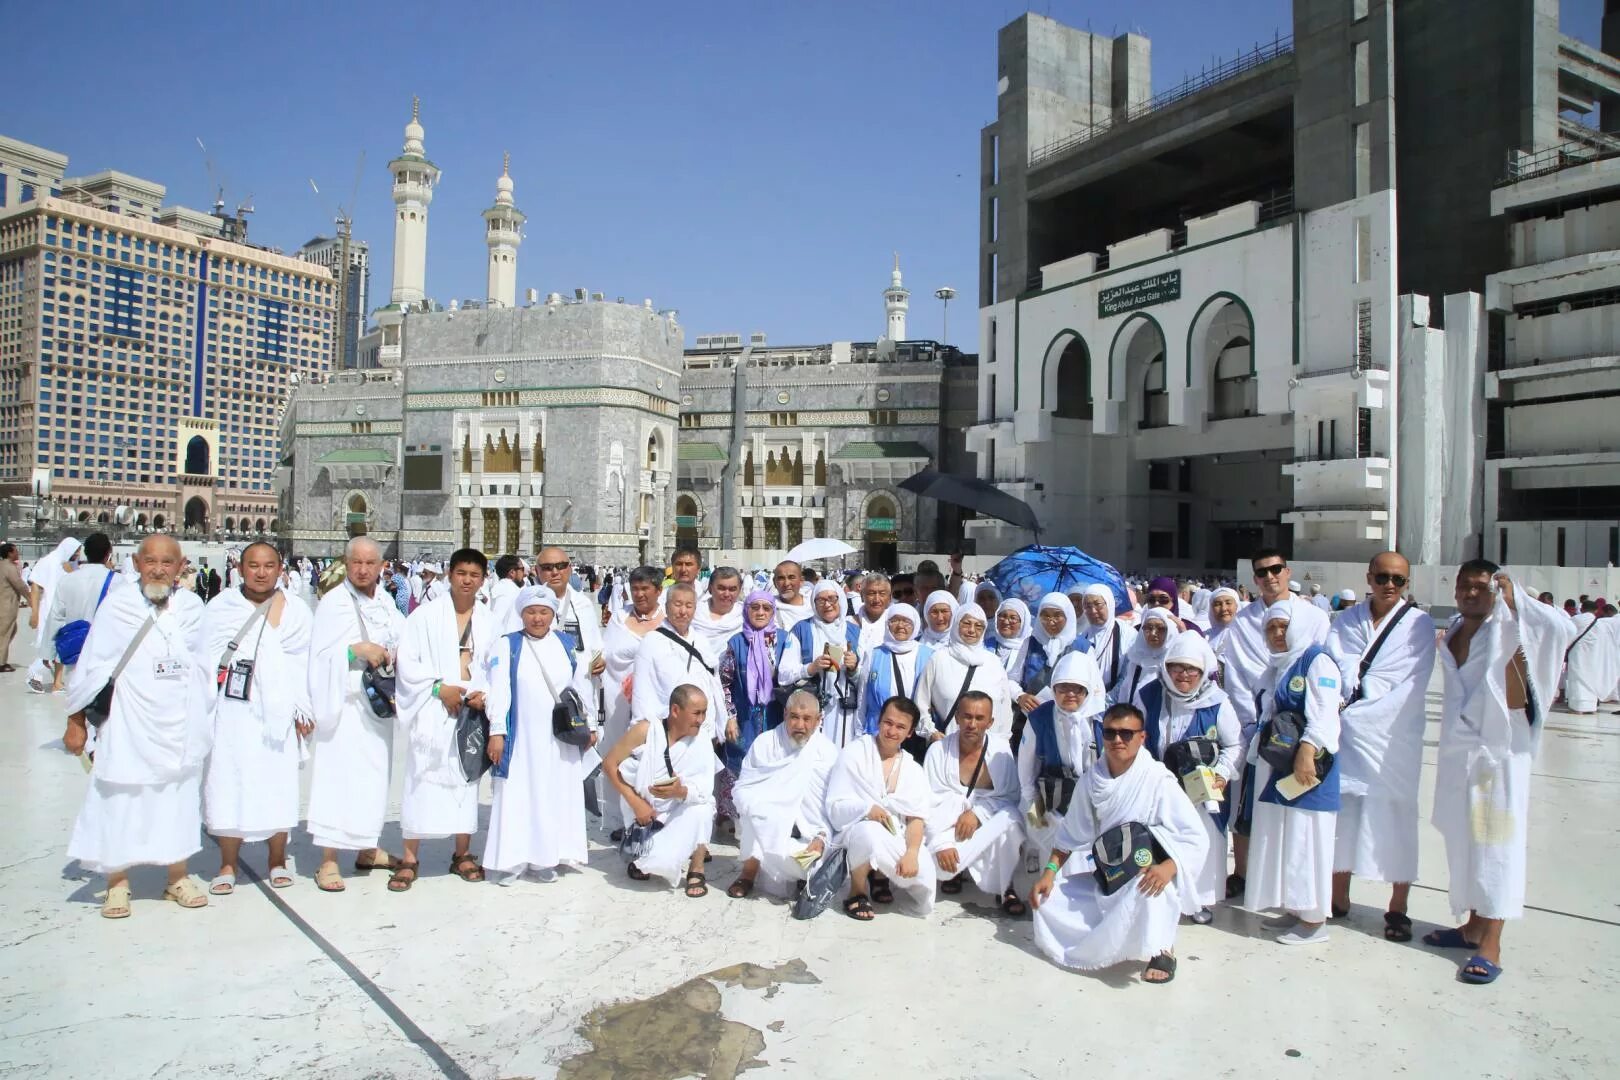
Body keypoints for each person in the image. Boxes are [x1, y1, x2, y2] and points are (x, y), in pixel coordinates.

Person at [1425, 562, 1572, 984]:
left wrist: (1517, 601)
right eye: (1464, 587)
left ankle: (1492, 942)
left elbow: (1556, 632)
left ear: (1493, 590)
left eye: (1480, 587)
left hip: (1499, 756)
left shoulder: (1508, 626)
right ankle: (1472, 927)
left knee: (1497, 847)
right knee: (1464, 842)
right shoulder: (1454, 630)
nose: (1471, 594)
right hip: (1460, 753)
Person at [62, 534, 214, 917]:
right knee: (121, 798)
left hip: (177, 723)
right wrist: (75, 721)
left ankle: (176, 876)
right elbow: (92, 667)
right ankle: (118, 883)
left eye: (168, 562)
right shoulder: (119, 607)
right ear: (136, 564)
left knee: (176, 799)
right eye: (151, 561)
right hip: (128, 722)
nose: (159, 569)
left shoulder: (193, 608)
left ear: (181, 567)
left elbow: (205, 667)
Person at [1029, 702, 1209, 984]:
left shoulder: (1158, 779)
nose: (1117, 740)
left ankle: (1163, 949)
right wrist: (1049, 872)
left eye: (1126, 734)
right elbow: (1069, 836)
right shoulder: (1092, 781)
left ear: (1142, 737)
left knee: (1148, 888)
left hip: (1150, 873)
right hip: (1111, 872)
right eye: (1110, 733)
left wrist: (1168, 868)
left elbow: (1195, 836)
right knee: (1048, 902)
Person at [1324, 551, 1436, 938]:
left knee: (1397, 815)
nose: (1390, 585)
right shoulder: (1346, 620)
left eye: (1399, 580)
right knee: (1345, 813)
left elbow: (1411, 681)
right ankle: (1338, 897)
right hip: (1348, 734)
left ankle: (1398, 907)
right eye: (1383, 577)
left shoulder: (1418, 624)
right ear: (1368, 577)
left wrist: (1364, 708)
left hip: (1393, 736)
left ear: (1407, 584)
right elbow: (1335, 667)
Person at [201, 542, 314, 894]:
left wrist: (303, 708)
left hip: (280, 712)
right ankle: (227, 863)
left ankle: (277, 859)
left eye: (269, 566)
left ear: (281, 569)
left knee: (277, 785)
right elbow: (204, 661)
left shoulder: (297, 610)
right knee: (227, 781)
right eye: (254, 565)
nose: (261, 572)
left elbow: (304, 664)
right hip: (234, 710)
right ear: (240, 567)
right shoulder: (222, 607)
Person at [1221, 548, 1331, 898]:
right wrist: (1253, 726)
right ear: (1254, 578)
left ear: (1287, 572)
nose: (1270, 577)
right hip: (1256, 724)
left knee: (1296, 813)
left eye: (1276, 569)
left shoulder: (1312, 617)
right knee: (1248, 804)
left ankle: (1293, 891)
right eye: (1262, 572)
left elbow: (1319, 671)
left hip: (1300, 728)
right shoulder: (1243, 621)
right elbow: (1236, 677)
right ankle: (1243, 872)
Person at [480, 586, 600, 886]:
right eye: (531, 612)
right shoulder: (507, 645)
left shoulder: (564, 642)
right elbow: (499, 691)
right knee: (520, 793)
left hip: (559, 737)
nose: (537, 618)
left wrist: (590, 724)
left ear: (552, 615)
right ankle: (514, 860)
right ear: (522, 614)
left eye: (543, 612)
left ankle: (550, 855)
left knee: (555, 791)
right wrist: (497, 731)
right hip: (522, 737)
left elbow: (578, 685)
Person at [305, 537, 406, 892]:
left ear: (381, 566)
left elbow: (401, 639)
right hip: (344, 705)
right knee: (338, 780)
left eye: (370, 563)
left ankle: (367, 847)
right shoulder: (334, 603)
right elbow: (317, 658)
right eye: (356, 563)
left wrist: (391, 652)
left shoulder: (386, 602)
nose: (363, 570)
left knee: (374, 780)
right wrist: (354, 650)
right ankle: (328, 860)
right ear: (346, 565)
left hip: (375, 707)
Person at [393, 548, 495, 890]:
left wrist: (482, 693)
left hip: (470, 709)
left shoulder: (488, 620)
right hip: (434, 708)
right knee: (422, 779)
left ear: (483, 580)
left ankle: (462, 853)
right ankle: (410, 857)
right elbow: (407, 663)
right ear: (450, 574)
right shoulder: (424, 616)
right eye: (462, 573)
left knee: (465, 782)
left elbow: (494, 667)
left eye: (475, 575)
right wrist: (439, 688)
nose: (467, 580)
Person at [1244, 602, 1342, 945]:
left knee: (1306, 839)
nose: (1277, 634)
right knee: (1285, 838)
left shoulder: (1317, 661)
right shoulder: (1277, 666)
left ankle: (1315, 921)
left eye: (1284, 626)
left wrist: (1308, 751)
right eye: (1271, 628)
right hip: (1278, 767)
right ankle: (1296, 908)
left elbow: (1326, 713)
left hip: (1307, 767)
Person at [1134, 633, 1241, 924]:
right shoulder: (1149, 694)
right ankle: (1162, 898)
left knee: (1200, 842)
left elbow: (1234, 745)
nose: (1183, 675)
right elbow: (1138, 735)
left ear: (1203, 671)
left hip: (1200, 792)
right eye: (1176, 668)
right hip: (1161, 786)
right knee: (1162, 840)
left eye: (1191, 669)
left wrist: (1221, 773)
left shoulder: (1218, 702)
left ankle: (1198, 901)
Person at [602, 683, 717, 896]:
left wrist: (680, 792)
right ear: (675, 711)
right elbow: (609, 764)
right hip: (644, 813)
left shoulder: (702, 740)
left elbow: (704, 788)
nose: (701, 720)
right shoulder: (646, 730)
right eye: (696, 713)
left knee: (705, 806)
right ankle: (644, 856)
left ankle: (697, 867)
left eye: (704, 713)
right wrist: (636, 803)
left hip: (679, 809)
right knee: (649, 861)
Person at [825, 696, 935, 919]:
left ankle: (880, 876)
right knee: (869, 833)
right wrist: (866, 808)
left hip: (896, 835)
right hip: (856, 830)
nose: (892, 731)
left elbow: (916, 818)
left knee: (925, 874)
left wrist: (912, 853)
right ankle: (857, 891)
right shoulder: (855, 753)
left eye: (900, 727)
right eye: (888, 723)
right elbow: (835, 806)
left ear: (910, 733)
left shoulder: (913, 770)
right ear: (879, 721)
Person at [727, 689, 839, 899]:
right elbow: (743, 788)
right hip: (768, 825)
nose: (800, 725)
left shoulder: (827, 752)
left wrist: (822, 837)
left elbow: (831, 804)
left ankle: (803, 877)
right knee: (753, 813)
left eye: (807, 719)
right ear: (785, 715)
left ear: (818, 720)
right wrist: (762, 811)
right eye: (794, 717)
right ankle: (748, 874)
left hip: (809, 830)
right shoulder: (766, 743)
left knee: (812, 864)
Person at [924, 691, 1025, 914]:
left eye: (979, 718)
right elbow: (928, 804)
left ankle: (1006, 886)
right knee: (943, 872)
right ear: (957, 718)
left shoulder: (1000, 751)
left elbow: (1010, 799)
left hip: (985, 825)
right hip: (947, 827)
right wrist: (941, 843)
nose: (972, 724)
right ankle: (956, 871)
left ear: (990, 722)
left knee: (1012, 822)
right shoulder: (937, 752)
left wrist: (977, 814)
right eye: (967, 717)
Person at [1018, 651, 1107, 861]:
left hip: (1093, 802)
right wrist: (1033, 806)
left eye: (1078, 689)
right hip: (1050, 799)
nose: (1070, 694)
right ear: (1054, 688)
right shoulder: (1039, 717)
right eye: (1063, 687)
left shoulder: (1101, 720)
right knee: (1040, 840)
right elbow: (1026, 764)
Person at [598, 565, 665, 840]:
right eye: (635, 589)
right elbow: (607, 652)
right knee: (620, 756)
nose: (639, 594)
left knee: (651, 757)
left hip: (655, 700)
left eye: (645, 589)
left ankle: (653, 813)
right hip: (619, 700)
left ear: (658, 591)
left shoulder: (668, 617)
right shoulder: (619, 618)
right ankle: (623, 818)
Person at [718, 590, 789, 811]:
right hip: (744, 717)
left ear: (773, 612)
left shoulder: (784, 640)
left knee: (774, 763)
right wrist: (730, 717)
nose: (760, 612)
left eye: (766, 608)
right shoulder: (735, 643)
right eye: (754, 607)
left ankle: (767, 814)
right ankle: (738, 817)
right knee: (741, 762)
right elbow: (724, 684)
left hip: (776, 717)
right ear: (746, 610)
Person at [916, 605, 1016, 745]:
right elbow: (921, 702)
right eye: (967, 623)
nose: (972, 630)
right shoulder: (939, 659)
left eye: (978, 626)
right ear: (956, 624)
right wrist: (931, 733)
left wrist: (1002, 742)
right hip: (948, 747)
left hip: (988, 751)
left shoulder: (993, 662)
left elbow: (1005, 708)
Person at [780, 580, 862, 746]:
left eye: (832, 598)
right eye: (820, 600)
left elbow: (867, 677)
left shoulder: (855, 632)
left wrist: (854, 668)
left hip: (845, 711)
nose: (827, 604)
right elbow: (783, 674)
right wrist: (811, 668)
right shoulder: (801, 630)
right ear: (813, 603)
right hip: (811, 708)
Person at [41, 532, 118, 678]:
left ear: (85, 553)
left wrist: (48, 651)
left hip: (75, 652)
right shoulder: (119, 582)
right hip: (107, 655)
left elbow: (56, 617)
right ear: (108, 553)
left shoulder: (67, 580)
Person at [856, 603, 933, 736]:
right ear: (887, 623)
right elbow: (862, 697)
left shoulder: (929, 655)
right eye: (895, 620)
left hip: (915, 733)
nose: (900, 625)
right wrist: (858, 731)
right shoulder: (874, 654)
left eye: (906, 621)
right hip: (879, 731)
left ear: (915, 625)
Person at [29, 536, 82, 692]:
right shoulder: (48, 561)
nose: (78, 555)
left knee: (60, 647)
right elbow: (35, 587)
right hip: (49, 610)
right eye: (76, 551)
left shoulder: (67, 564)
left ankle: (57, 683)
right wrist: (34, 612)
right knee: (46, 648)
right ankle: (33, 676)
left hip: (64, 610)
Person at [1017, 594, 1082, 717]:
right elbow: (1012, 678)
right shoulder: (1030, 643)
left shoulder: (1082, 647)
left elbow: (1094, 689)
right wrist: (1020, 696)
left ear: (1068, 616)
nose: (1051, 621)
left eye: (1057, 615)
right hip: (1032, 716)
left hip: (1069, 719)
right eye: (1045, 615)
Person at [1079, 583, 1136, 703]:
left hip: (1115, 705)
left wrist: (1106, 701)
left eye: (1098, 604)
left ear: (1109, 603)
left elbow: (1127, 675)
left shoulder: (1128, 635)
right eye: (1087, 606)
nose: (1093, 611)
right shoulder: (1082, 636)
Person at [1117, 608, 1178, 706]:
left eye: (1160, 628)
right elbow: (1124, 696)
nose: (1153, 633)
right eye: (1148, 628)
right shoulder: (1136, 660)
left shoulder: (1175, 663)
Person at [691, 566, 745, 665]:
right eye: (721, 588)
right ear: (710, 588)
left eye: (732, 589)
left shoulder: (745, 614)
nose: (726, 594)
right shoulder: (694, 612)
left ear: (739, 590)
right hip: (697, 672)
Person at [1563, 600, 1604, 714]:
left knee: (1577, 677)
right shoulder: (1599, 622)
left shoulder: (1575, 620)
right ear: (1596, 610)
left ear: (1581, 609)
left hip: (1578, 653)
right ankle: (1591, 707)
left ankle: (1578, 707)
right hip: (1594, 655)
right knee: (1592, 677)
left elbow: (1566, 633)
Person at [0, 542, 29, 673]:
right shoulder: (9, 567)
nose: (18, 553)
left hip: (6, 603)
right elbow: (19, 585)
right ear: (9, 553)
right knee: (4, 633)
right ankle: (1, 663)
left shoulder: (4, 566)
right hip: (6, 605)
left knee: (11, 630)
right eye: (15, 551)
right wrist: (31, 598)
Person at [990, 598, 1033, 685]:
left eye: (1013, 618)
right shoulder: (985, 643)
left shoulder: (1028, 650)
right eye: (1002, 616)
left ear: (1023, 623)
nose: (1006, 622)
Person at [850, 572, 892, 652]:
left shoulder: (896, 624)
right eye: (871, 594)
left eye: (882, 594)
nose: (876, 599)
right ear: (862, 596)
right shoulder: (849, 624)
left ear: (889, 597)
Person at [488, 554, 527, 631]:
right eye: (522, 569)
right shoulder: (510, 591)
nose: (524, 573)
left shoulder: (500, 588)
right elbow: (497, 620)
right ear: (512, 572)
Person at [771, 561, 811, 630]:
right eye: (781, 578)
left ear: (801, 581)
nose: (786, 584)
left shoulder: (814, 605)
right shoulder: (768, 608)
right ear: (774, 582)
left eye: (791, 577)